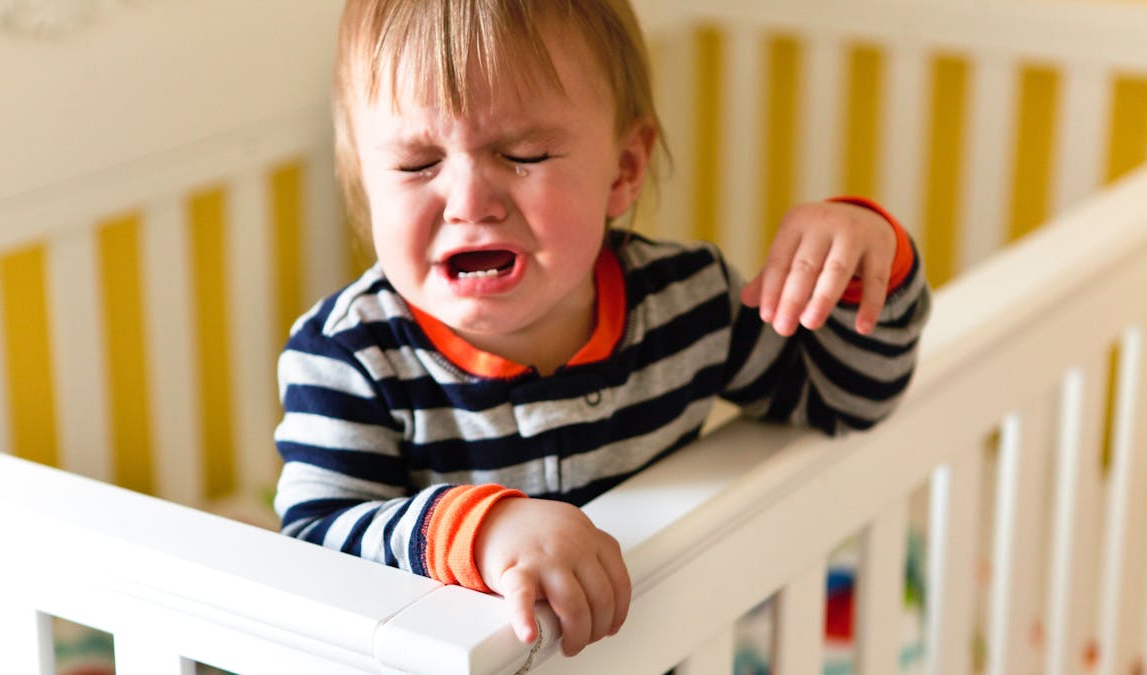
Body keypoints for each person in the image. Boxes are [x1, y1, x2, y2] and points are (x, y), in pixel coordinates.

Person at [274, 0, 931, 659]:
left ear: (623, 169)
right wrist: (477, 531)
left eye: (523, 152)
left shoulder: (689, 305)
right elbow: (312, 542)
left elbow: (847, 397)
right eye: (417, 164)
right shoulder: (348, 357)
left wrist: (865, 260)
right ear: (364, 177)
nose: (470, 201)